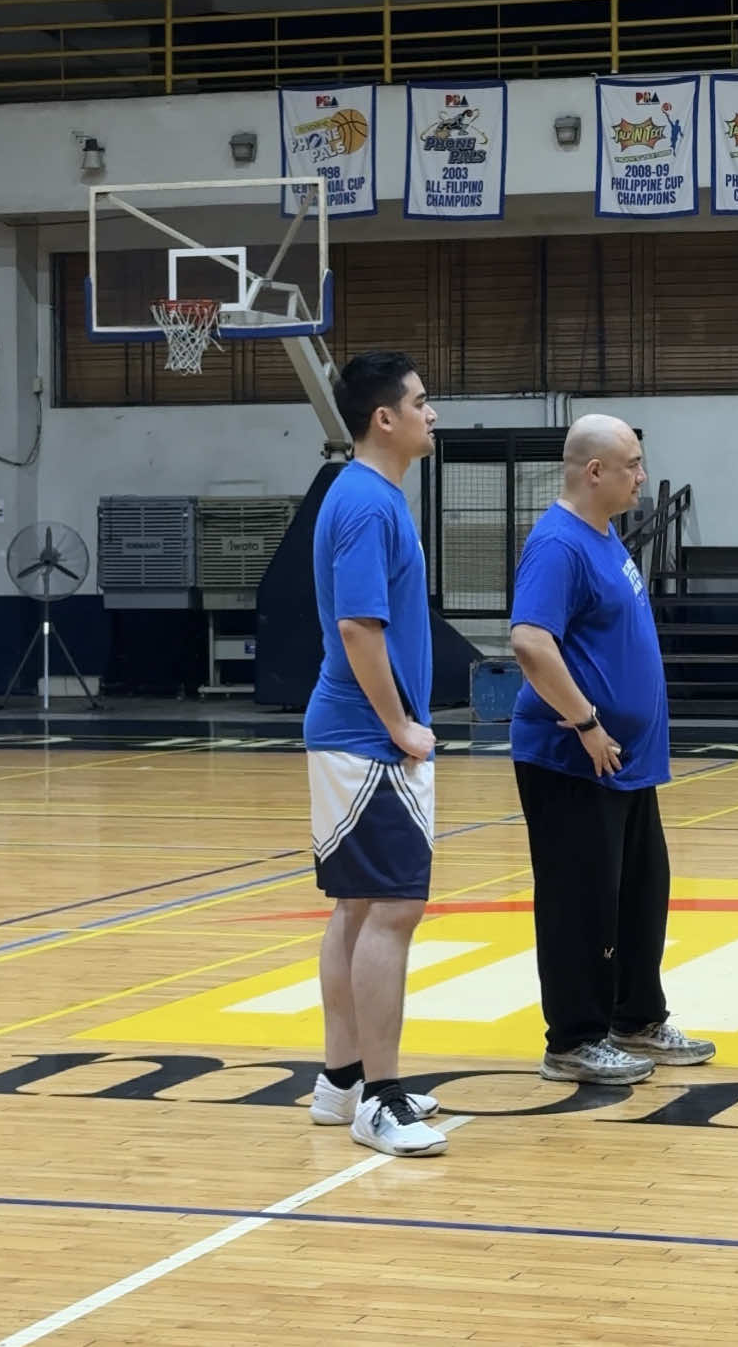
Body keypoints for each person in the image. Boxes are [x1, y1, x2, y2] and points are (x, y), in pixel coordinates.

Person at [510, 414, 716, 1084]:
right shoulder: (558, 544)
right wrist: (586, 723)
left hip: (623, 764)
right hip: (573, 759)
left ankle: (635, 1017)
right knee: (580, 901)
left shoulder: (606, 538)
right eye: (630, 463)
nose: (641, 475)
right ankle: (572, 1037)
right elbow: (530, 642)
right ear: (593, 471)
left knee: (638, 894)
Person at [304, 349, 448, 1157]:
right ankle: (380, 1099)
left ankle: (342, 1080)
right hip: (365, 740)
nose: (433, 414)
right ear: (383, 418)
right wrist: (398, 725)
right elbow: (360, 628)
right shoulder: (365, 502)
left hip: (352, 737)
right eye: (422, 402)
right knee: (391, 908)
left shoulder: (366, 495)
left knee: (357, 907)